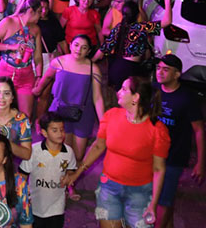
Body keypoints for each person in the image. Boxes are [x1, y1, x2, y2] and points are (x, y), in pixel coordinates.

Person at [63, 77, 170, 228]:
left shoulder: (157, 131)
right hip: (109, 188)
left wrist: (153, 204)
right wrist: (76, 173)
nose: (118, 92)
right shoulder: (111, 116)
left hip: (139, 193)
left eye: (124, 89)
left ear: (136, 97)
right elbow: (98, 147)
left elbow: (159, 169)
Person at [33, 33, 105, 199]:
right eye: (76, 45)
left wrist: (104, 122)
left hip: (82, 115)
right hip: (59, 113)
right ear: (71, 44)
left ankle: (70, 182)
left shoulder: (93, 69)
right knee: (61, 152)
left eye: (84, 47)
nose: (79, 50)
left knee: (78, 155)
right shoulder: (58, 62)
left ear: (88, 51)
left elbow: (98, 97)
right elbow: (45, 80)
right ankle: (60, 186)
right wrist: (36, 90)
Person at [154, 54, 206, 228]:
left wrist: (200, 162)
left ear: (177, 74)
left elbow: (198, 130)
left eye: (165, 69)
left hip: (174, 157)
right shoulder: (154, 90)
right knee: (158, 196)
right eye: (158, 68)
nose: (160, 72)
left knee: (164, 200)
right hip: (153, 155)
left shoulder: (187, 98)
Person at [92, 0, 172, 90]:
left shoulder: (118, 28)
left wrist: (90, 62)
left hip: (116, 68)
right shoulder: (141, 27)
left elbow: (103, 49)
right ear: (137, 15)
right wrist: (167, 0)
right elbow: (167, 22)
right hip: (130, 70)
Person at [0, 0, 43, 117]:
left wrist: (39, 75)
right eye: (39, 12)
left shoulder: (36, 29)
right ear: (31, 11)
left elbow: (37, 57)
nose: (41, 16)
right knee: (0, 110)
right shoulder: (9, 22)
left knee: (25, 115)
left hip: (26, 75)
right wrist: (10, 46)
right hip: (6, 71)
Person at [19, 112, 77, 228]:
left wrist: (69, 179)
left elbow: (71, 171)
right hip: (35, 206)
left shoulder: (69, 152)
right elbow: (22, 175)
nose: (60, 133)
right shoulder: (34, 151)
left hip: (57, 207)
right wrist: (22, 197)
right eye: (54, 130)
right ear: (44, 132)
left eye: (62, 129)